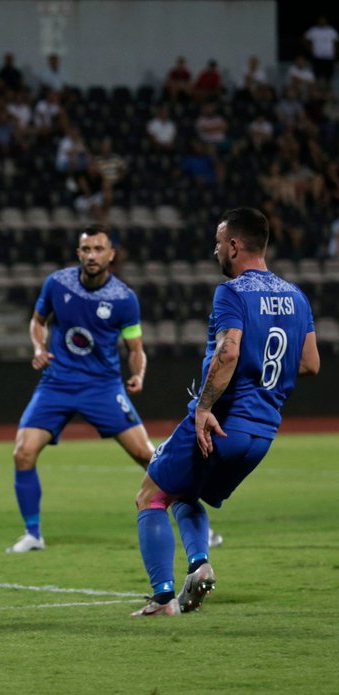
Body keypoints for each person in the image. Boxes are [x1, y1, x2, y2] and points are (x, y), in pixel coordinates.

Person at [130, 208, 319, 617]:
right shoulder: (297, 296)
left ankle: (163, 598)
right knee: (184, 494)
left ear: (234, 245)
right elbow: (310, 362)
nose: (215, 249)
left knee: (150, 495)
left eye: (219, 242)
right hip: (262, 435)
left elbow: (229, 349)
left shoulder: (231, 292)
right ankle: (199, 566)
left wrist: (203, 407)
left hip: (222, 422)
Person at [8, 226, 188, 554]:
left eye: (98, 249)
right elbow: (37, 321)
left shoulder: (123, 299)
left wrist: (139, 374)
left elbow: (135, 347)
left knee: (147, 455)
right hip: (57, 383)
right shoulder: (57, 283)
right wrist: (38, 348)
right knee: (23, 452)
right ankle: (33, 534)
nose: (92, 255)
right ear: (79, 253)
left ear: (111, 255)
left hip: (102, 386)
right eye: (86, 249)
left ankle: (194, 520)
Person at [304, 15, 337, 85]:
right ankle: (317, 92)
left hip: (329, 56)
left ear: (326, 21)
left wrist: (334, 51)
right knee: (317, 75)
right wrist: (310, 50)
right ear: (318, 21)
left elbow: (335, 42)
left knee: (328, 76)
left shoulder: (331, 30)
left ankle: (328, 92)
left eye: (323, 20)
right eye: (321, 20)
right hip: (317, 56)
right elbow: (305, 39)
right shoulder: (313, 30)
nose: (322, 21)